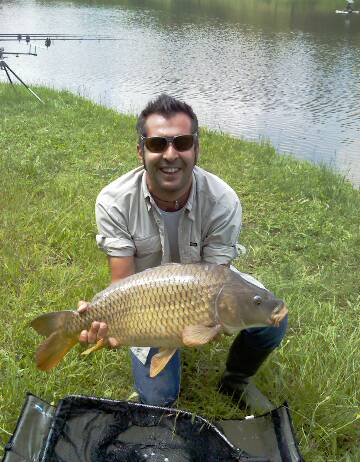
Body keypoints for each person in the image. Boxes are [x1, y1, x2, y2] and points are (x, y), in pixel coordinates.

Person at [79, 94, 288, 411]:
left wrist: (211, 325)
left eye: (182, 142)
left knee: (271, 317)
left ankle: (236, 380)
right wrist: (104, 321)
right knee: (160, 401)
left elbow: (219, 278)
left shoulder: (223, 200)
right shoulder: (113, 201)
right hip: (145, 303)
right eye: (157, 144)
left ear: (196, 149)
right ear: (141, 151)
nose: (170, 154)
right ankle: (157, 357)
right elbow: (121, 282)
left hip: (203, 289)